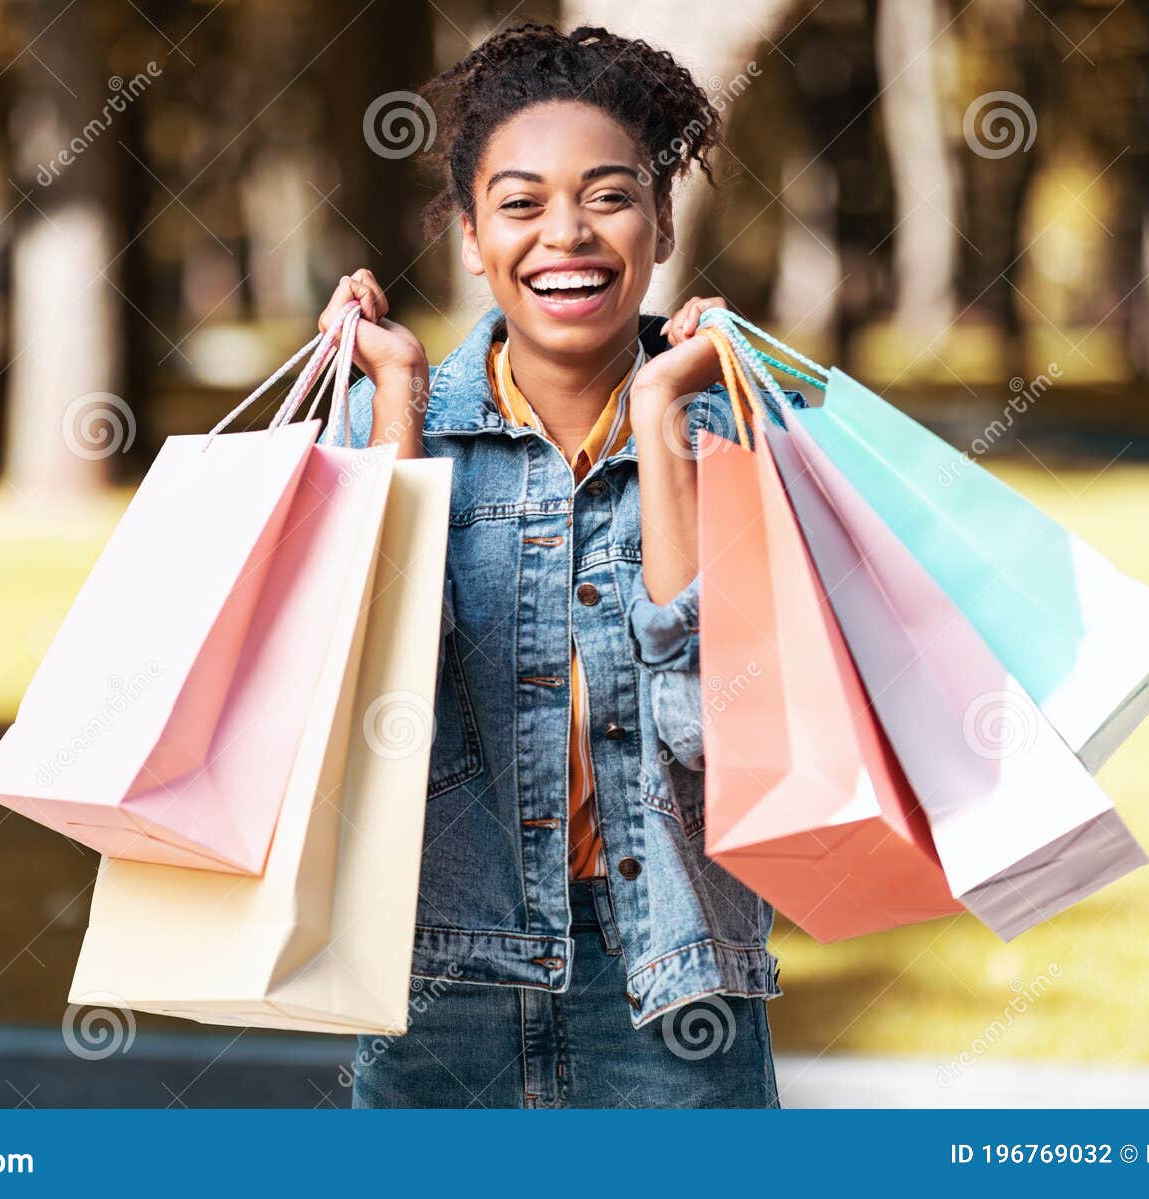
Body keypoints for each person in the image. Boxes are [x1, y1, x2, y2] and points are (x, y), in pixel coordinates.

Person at [316, 22, 798, 1109]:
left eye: (610, 196)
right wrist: (392, 402)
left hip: (675, 998)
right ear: (473, 234)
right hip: (434, 988)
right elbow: (370, 717)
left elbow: (721, 739)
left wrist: (664, 417)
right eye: (522, 203)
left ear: (664, 222)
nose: (566, 235)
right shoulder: (379, 424)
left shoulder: (743, 430)